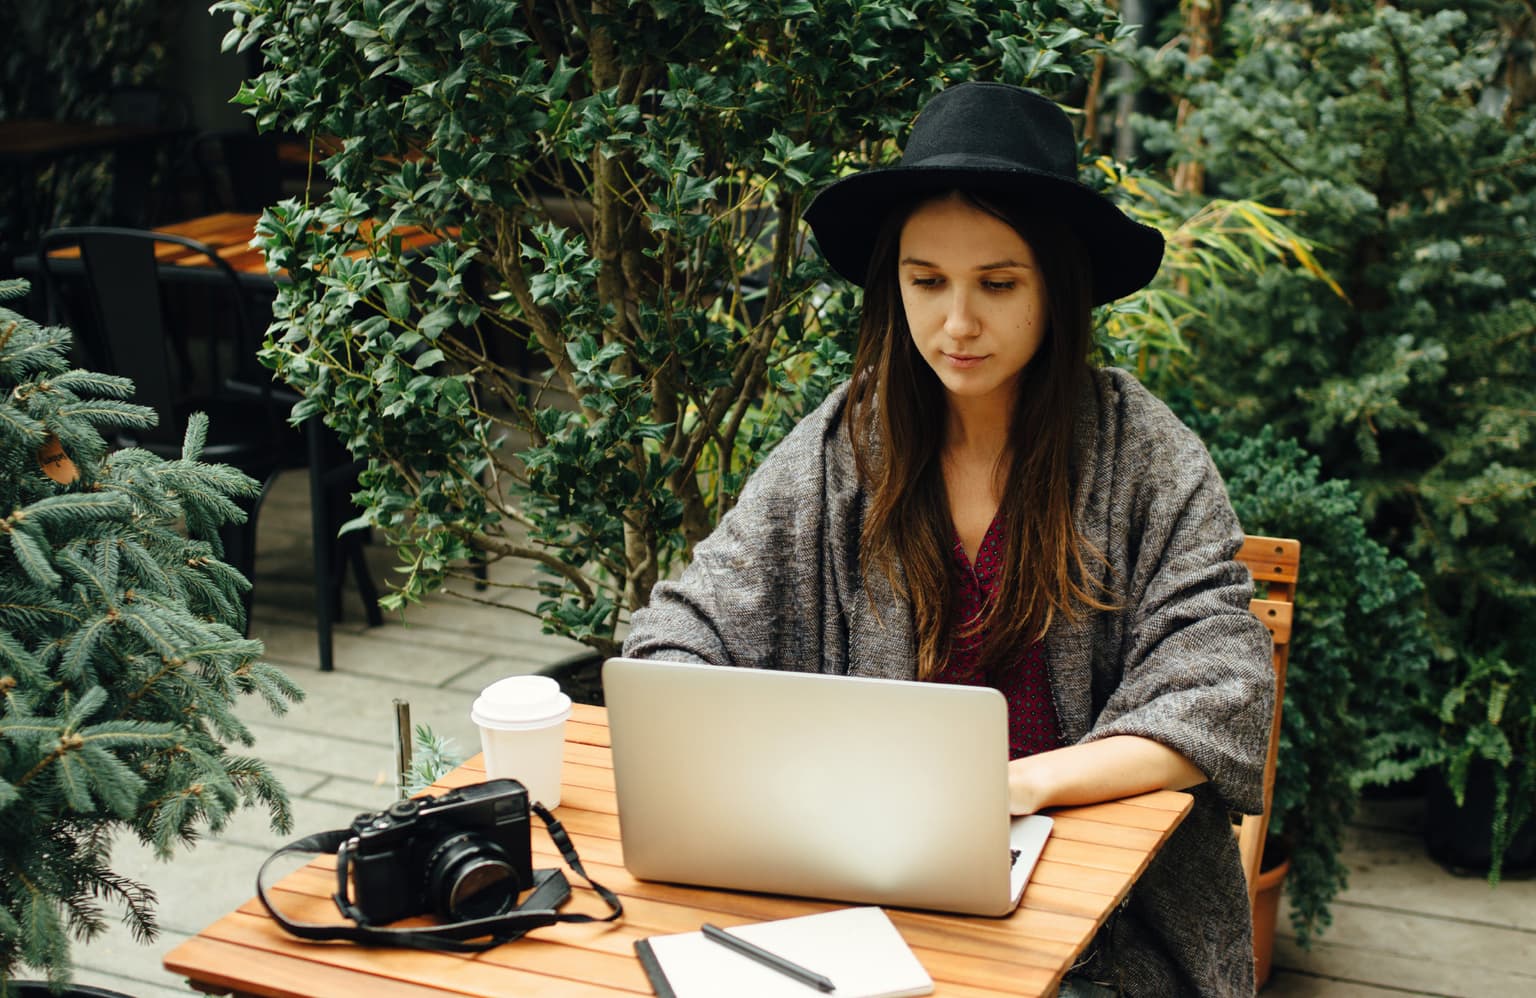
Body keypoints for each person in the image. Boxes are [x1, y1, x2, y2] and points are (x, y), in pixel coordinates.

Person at [622, 81, 1274, 997]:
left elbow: (1221, 693)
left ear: (1058, 285)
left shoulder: (1143, 453)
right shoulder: (846, 444)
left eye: (998, 284)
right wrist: (750, 769)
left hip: (1105, 922)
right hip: (864, 904)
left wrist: (1022, 787)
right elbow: (679, 636)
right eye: (926, 281)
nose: (956, 323)